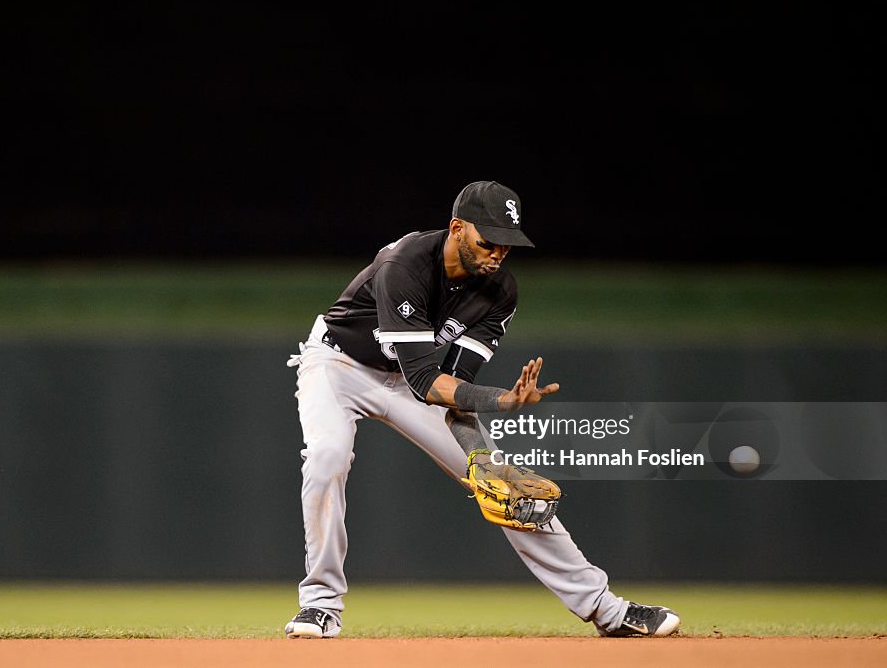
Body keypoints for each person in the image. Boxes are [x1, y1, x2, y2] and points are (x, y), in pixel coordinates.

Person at [283, 181, 680, 639]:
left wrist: (480, 459)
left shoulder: (499, 293)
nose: (497, 253)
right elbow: (425, 381)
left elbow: (454, 390)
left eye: (506, 245)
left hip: (420, 381)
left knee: (510, 487)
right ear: (456, 228)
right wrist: (503, 401)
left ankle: (606, 609)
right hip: (340, 365)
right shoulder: (405, 263)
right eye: (487, 240)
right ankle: (320, 606)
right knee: (327, 457)